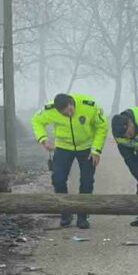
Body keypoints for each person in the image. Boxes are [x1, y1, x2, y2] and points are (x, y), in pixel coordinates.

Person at [31, 93, 106, 229]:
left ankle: (83, 215)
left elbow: (102, 126)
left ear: (72, 104)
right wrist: (43, 139)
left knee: (87, 181)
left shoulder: (89, 106)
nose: (69, 114)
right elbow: (36, 120)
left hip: (86, 147)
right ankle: (65, 212)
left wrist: (96, 150)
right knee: (58, 179)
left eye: (70, 111)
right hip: (63, 146)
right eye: (64, 114)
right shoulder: (50, 109)